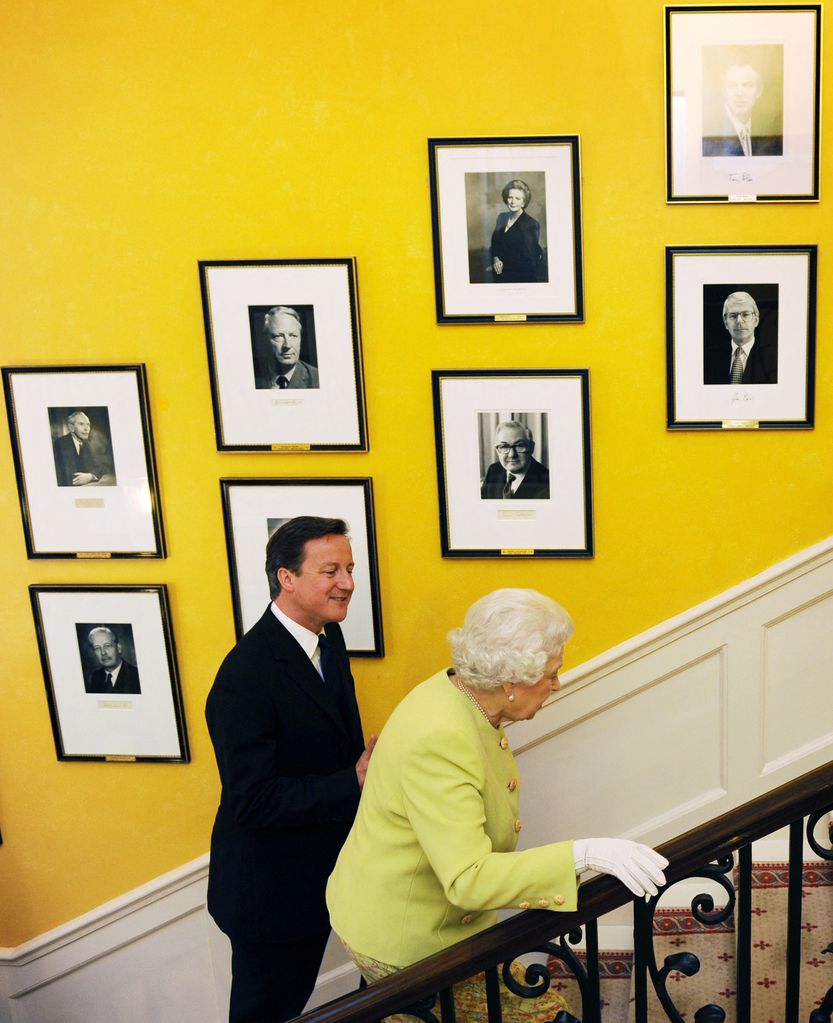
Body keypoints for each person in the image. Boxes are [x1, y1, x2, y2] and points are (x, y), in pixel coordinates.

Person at [327, 589, 668, 1022]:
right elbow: (469, 878)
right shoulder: (442, 736)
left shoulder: (457, 692)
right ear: (509, 682)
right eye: (551, 673)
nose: (557, 684)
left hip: (428, 916)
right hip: (406, 935)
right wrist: (583, 854)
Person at [206, 516, 376, 1023]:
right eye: (330, 571)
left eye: (349, 568)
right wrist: (356, 779)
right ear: (286, 578)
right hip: (269, 894)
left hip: (328, 873)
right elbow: (255, 802)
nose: (347, 582)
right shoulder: (244, 677)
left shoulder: (330, 639)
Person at [702, 63, 782, 157]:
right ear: (723, 90)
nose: (740, 93)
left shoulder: (770, 131)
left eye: (747, 85)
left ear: (759, 90)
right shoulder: (709, 130)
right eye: (733, 86)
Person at [703, 291, 778, 385]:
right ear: (726, 323)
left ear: (756, 320)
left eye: (746, 314)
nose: (739, 321)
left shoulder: (773, 358)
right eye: (733, 316)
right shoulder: (708, 357)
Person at [490, 179, 545, 283]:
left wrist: (502, 262)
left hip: (520, 277)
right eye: (510, 197)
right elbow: (495, 242)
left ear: (524, 203)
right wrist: (496, 258)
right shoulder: (501, 217)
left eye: (517, 198)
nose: (513, 201)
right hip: (499, 276)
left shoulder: (531, 224)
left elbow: (529, 259)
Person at [481, 420, 550, 500]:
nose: (512, 455)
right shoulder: (493, 471)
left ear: (531, 447)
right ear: (497, 450)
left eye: (519, 445)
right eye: (504, 447)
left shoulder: (548, 482)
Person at [254, 305, 320, 389]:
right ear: (265, 340)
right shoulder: (251, 377)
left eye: (293, 336)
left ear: (300, 339)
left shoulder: (317, 378)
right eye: (278, 336)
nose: (287, 345)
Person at [52, 410, 102, 487]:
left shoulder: (86, 444)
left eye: (88, 424)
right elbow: (67, 477)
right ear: (71, 427)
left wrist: (90, 476)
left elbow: (98, 469)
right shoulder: (61, 443)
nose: (87, 429)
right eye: (81, 424)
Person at [85, 627, 141, 694]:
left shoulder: (136, 676)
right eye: (97, 648)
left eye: (107, 646)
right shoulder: (96, 677)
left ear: (118, 648)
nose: (103, 653)